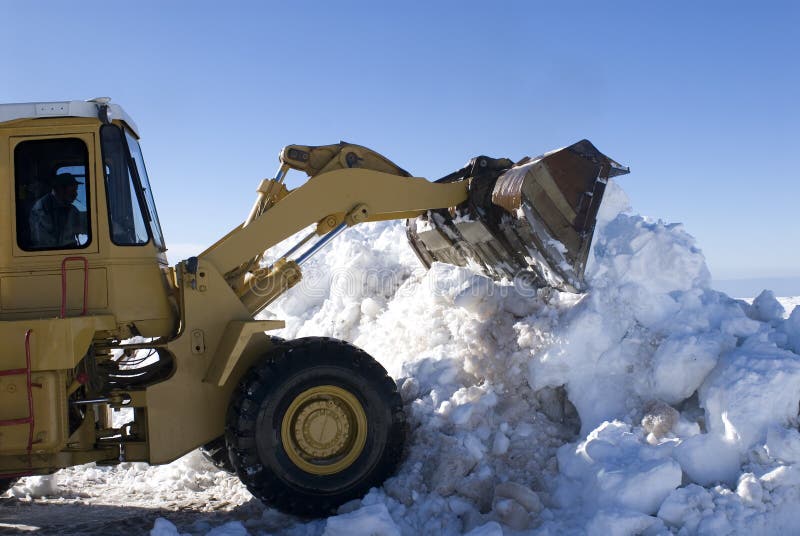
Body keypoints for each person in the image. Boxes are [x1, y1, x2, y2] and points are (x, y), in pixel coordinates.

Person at [29, 172, 85, 248]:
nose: (76, 195)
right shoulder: (42, 208)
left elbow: (80, 229)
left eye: (76, 191)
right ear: (60, 189)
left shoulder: (72, 209)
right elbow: (44, 240)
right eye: (72, 191)